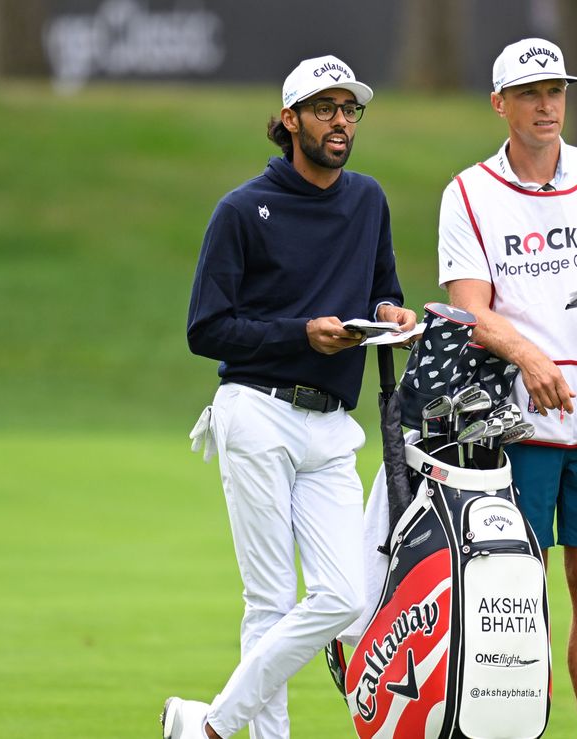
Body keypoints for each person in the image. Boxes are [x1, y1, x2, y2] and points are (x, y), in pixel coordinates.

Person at [167, 54, 417, 739]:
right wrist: (302, 334)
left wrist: (390, 314)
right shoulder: (243, 210)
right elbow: (206, 328)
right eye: (326, 108)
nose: (341, 122)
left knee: (343, 595)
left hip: (333, 425)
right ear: (289, 120)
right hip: (257, 411)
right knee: (270, 599)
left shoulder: (367, 199)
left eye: (350, 110)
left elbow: (381, 287)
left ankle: (208, 725)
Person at [436, 38, 577, 739]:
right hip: (518, 424)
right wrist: (529, 356)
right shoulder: (470, 192)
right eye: (531, 93)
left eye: (556, 90)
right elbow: (469, 309)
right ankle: (517, 729)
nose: (546, 104)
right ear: (500, 103)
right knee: (515, 593)